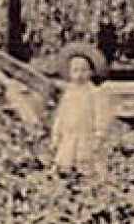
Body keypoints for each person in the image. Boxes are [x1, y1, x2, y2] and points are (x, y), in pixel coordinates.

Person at [49, 42, 116, 172]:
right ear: (69, 73)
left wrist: (99, 134)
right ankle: (65, 179)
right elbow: (61, 114)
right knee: (65, 160)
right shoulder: (69, 93)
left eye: (83, 70)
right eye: (75, 70)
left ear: (91, 72)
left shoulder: (95, 93)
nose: (79, 74)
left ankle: (86, 181)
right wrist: (56, 134)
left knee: (85, 161)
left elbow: (101, 114)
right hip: (69, 134)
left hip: (86, 134)